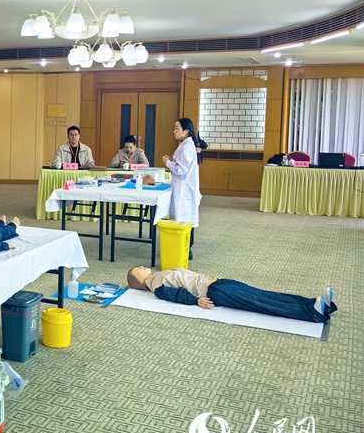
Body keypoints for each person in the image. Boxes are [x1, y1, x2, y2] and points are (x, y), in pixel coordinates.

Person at [126, 266, 336, 323]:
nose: (142, 267)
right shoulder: (156, 285)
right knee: (259, 302)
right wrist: (196, 301)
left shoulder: (158, 275)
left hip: (219, 283)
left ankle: (314, 303)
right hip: (215, 291)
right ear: (139, 282)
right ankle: (312, 313)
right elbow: (176, 295)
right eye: (138, 270)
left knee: (262, 294)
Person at [161, 117, 201, 257]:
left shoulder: (187, 146)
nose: (174, 131)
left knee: (183, 218)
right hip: (182, 187)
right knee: (183, 217)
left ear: (186, 131)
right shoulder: (185, 144)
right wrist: (172, 160)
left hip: (185, 189)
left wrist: (167, 162)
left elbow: (181, 170)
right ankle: (183, 248)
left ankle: (185, 249)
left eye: (177, 128)